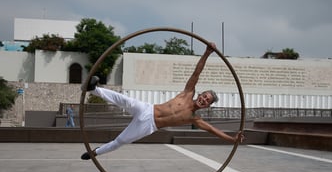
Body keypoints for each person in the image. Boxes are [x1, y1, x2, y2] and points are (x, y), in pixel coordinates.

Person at [81, 43, 244, 160]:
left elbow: (213, 130)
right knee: (126, 101)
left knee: (121, 140)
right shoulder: (187, 93)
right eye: (204, 96)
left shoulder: (195, 118)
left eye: (207, 101)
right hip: (147, 110)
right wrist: (207, 53)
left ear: (208, 106)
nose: (203, 100)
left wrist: (232, 139)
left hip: (149, 126)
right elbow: (197, 72)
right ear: (200, 94)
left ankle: (95, 153)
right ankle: (94, 89)